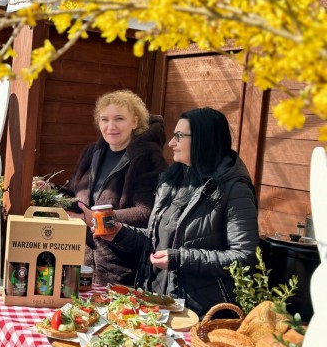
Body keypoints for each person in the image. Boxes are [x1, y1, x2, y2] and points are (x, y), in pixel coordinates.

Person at [100, 107, 259, 316]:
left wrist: (180, 259)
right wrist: (120, 233)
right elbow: (157, 242)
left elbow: (244, 257)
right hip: (160, 304)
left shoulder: (234, 188)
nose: (171, 143)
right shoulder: (172, 181)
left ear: (203, 139)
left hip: (202, 313)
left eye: (179, 136)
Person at [47, 89, 168, 286]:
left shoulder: (148, 158)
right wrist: (49, 190)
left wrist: (96, 219)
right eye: (105, 119)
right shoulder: (92, 153)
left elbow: (147, 213)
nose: (111, 126)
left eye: (119, 118)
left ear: (135, 122)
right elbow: (73, 194)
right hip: (82, 263)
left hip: (121, 271)